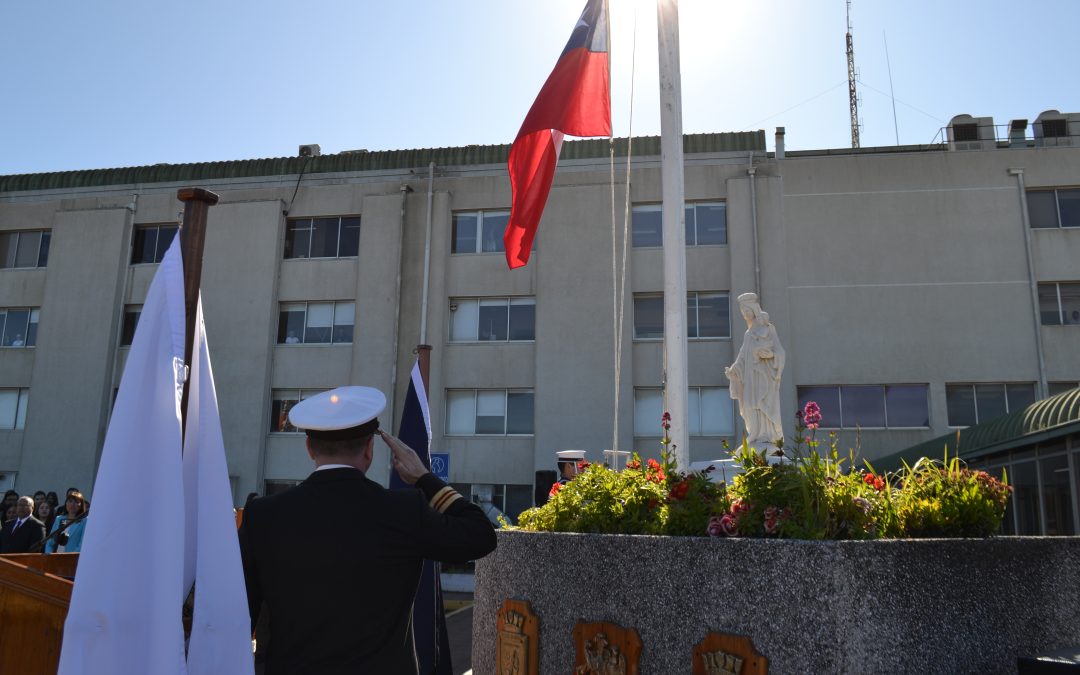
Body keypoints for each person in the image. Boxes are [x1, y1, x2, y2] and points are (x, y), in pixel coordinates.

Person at [239, 385, 497, 674]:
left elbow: (238, 618)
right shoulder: (403, 511)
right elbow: (480, 535)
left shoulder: (263, 516)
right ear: (370, 450)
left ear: (309, 448)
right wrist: (425, 478)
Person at [725, 292, 786, 455]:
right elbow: (742, 357)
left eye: (747, 309)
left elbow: (780, 351)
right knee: (751, 406)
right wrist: (734, 370)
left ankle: (767, 438)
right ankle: (756, 435)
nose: (745, 313)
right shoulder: (748, 334)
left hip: (765, 376)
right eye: (742, 311)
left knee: (763, 404)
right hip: (750, 378)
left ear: (754, 309)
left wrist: (771, 355)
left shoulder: (768, 328)